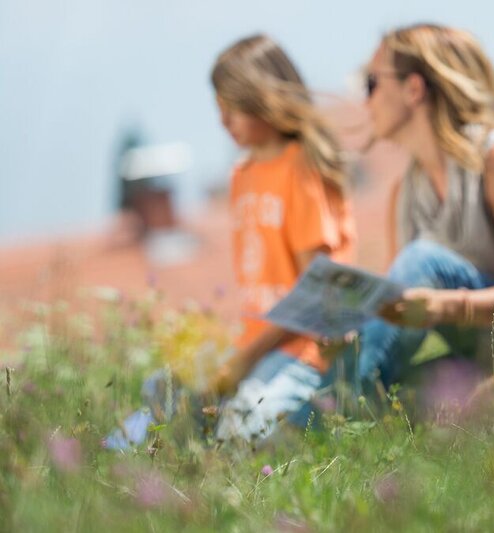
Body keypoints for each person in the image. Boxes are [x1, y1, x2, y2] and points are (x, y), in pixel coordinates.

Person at [107, 34, 356, 447]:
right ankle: (122, 456)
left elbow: (318, 291)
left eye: (232, 107)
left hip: (303, 351)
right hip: (252, 344)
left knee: (242, 430)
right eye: (218, 108)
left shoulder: (302, 169)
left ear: (266, 99)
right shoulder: (241, 177)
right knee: (160, 388)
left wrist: (244, 360)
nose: (223, 121)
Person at [355, 24, 494, 402]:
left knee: (420, 260)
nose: (364, 100)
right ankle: (342, 409)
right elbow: (401, 319)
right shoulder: (404, 192)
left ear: (414, 89)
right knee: (404, 394)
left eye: (371, 83)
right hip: (475, 349)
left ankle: (354, 404)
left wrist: (445, 305)